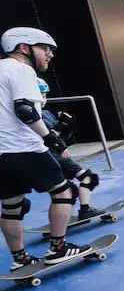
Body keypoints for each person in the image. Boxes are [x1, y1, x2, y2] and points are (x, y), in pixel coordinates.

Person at [0, 27, 88, 269]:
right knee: (64, 192)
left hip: (1, 152)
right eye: (45, 48)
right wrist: (51, 139)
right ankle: (58, 248)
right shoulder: (21, 70)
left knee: (11, 206)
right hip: (23, 146)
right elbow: (25, 109)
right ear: (23, 48)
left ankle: (21, 260)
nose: (50, 54)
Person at [37, 80, 109, 222]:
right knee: (88, 178)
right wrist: (60, 126)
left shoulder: (45, 113)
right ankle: (85, 210)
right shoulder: (35, 117)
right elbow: (47, 137)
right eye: (40, 95)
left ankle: (65, 216)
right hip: (54, 156)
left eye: (45, 95)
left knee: (63, 190)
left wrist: (67, 126)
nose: (43, 99)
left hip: (55, 156)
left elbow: (62, 135)